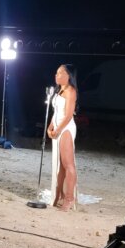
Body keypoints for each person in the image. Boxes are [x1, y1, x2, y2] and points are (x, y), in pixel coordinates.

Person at [47, 64, 78, 211]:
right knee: (61, 166)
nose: (56, 75)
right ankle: (59, 193)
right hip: (58, 127)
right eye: (56, 73)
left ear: (68, 76)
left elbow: (68, 115)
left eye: (60, 73)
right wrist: (50, 127)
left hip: (66, 129)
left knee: (68, 164)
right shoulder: (60, 91)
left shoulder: (71, 91)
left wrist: (58, 130)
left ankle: (69, 199)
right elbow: (57, 112)